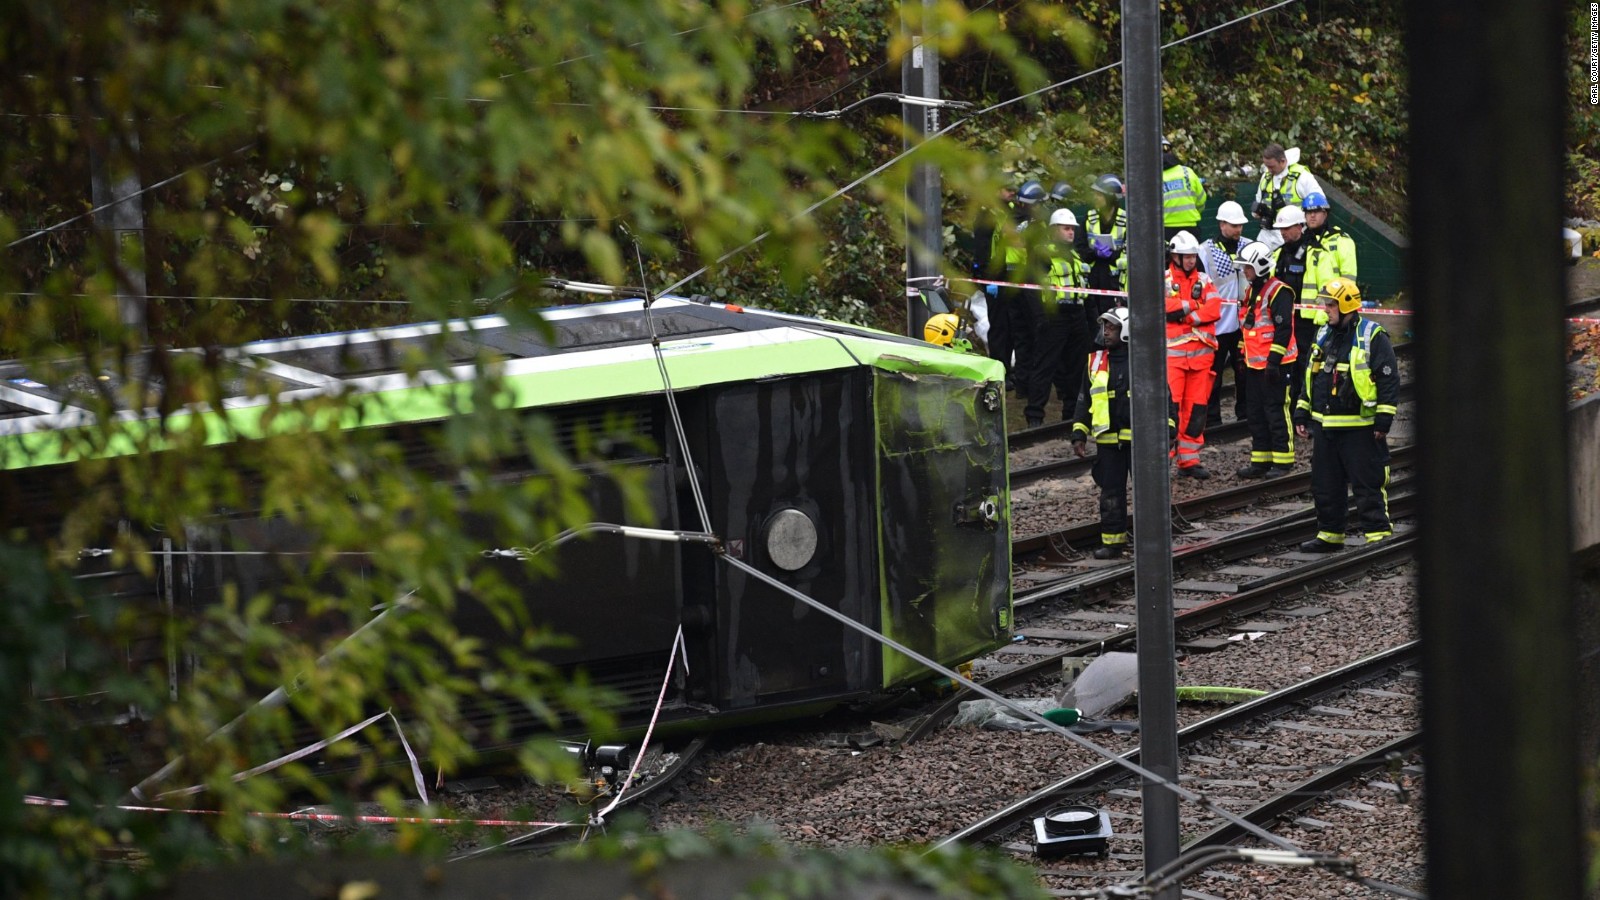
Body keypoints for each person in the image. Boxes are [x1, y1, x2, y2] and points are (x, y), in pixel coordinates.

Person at [1293, 277, 1399, 552]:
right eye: (1325, 304)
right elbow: (1310, 377)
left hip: (1360, 426)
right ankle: (1330, 535)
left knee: (1368, 482)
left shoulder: (1372, 335)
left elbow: (1388, 379)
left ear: (1345, 305)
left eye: (1330, 305)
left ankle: (1377, 536)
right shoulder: (1323, 334)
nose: (1325, 309)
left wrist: (1383, 420)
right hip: (1326, 426)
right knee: (1325, 485)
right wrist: (1302, 413)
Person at [1070, 307, 1177, 558]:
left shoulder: (1144, 360)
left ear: (1126, 330)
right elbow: (1084, 400)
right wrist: (1079, 433)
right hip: (1108, 442)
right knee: (1110, 495)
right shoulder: (1095, 362)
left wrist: (1170, 429)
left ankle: (1151, 545)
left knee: (1147, 496)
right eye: (1105, 327)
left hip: (1140, 442)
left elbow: (1165, 399)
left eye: (1112, 327)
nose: (1106, 332)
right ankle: (1112, 543)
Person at [1234, 241, 1298, 477]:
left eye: (1247, 268)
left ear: (1260, 267)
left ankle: (1283, 461)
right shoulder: (1252, 291)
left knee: (1277, 410)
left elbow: (1283, 330)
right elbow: (1248, 327)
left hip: (1275, 365)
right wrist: (1242, 355)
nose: (1244, 272)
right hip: (1255, 364)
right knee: (1256, 412)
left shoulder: (1279, 292)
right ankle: (1260, 460)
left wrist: (1273, 361)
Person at [1025, 208, 1094, 427]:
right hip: (1054, 317)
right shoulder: (1042, 253)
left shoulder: (1075, 255)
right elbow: (1031, 287)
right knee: (1045, 367)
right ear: (1054, 230)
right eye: (1066, 229)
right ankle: (1035, 417)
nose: (1071, 233)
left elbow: (1086, 289)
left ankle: (1071, 415)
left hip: (1077, 316)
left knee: (1077, 369)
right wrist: (1039, 317)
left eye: (1073, 229)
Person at [1164, 230, 1223, 478]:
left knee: (1197, 410)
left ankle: (1189, 460)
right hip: (1174, 358)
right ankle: (1163, 460)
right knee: (1170, 410)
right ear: (1175, 256)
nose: (1190, 260)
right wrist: (1194, 308)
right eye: (1185, 256)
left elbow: (1215, 308)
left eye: (1192, 256)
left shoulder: (1204, 279)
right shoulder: (1164, 280)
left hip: (1201, 358)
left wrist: (1186, 315)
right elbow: (1163, 307)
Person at [988, 179, 1048, 393]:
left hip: (1011, 281)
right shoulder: (1035, 224)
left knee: (1019, 333)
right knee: (1036, 331)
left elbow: (997, 251)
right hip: (1029, 281)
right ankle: (1033, 384)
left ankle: (1023, 383)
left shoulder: (1007, 222)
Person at [1201, 200, 1250, 428]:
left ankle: (1245, 415)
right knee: (1214, 375)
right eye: (1233, 225)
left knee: (1244, 373)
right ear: (1222, 225)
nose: (1238, 229)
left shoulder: (1249, 247)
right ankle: (1212, 420)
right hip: (1218, 324)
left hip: (1243, 325)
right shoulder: (1205, 251)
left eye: (1240, 225)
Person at [1077, 174, 1127, 324]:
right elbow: (1079, 248)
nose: (1095, 198)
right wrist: (1094, 253)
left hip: (1116, 281)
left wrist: (1111, 255)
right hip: (1092, 279)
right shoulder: (1089, 217)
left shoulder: (1126, 220)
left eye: (1099, 194)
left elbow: (1132, 252)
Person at [1252, 144, 1322, 250]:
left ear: (1283, 161)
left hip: (1292, 236)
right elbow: (1258, 202)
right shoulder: (1266, 177)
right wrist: (1258, 212)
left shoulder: (1301, 177)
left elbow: (1319, 205)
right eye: (1267, 166)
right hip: (1266, 235)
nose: (1269, 170)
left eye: (1271, 166)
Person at [1161, 136, 1208, 243]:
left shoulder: (1152, 177)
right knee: (1192, 259)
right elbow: (1201, 200)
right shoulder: (1188, 172)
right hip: (1191, 228)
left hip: (1165, 230)